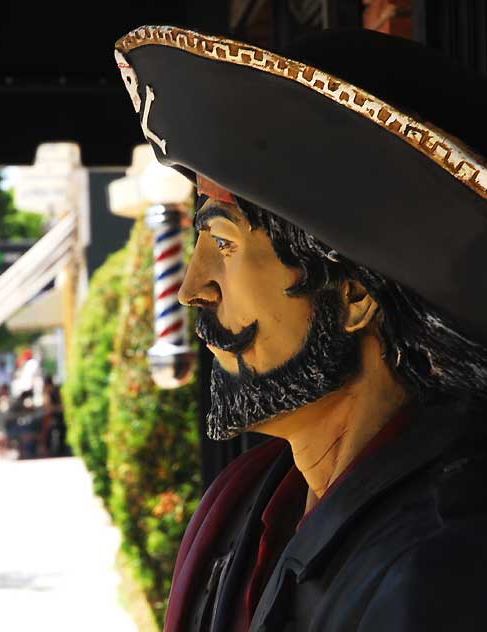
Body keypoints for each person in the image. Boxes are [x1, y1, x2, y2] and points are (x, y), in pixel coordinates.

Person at [115, 26, 487, 631]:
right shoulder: (257, 504)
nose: (191, 289)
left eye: (224, 242)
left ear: (353, 293)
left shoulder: (443, 567)